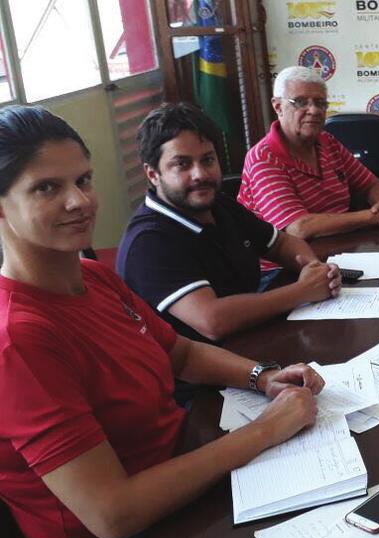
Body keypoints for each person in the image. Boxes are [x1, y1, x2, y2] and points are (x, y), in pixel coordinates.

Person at [0, 106, 323, 538]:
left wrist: (261, 376)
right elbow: (113, 513)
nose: (79, 201)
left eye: (83, 180)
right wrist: (264, 431)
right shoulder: (18, 338)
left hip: (181, 471)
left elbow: (181, 354)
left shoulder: (94, 277)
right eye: (47, 188)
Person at [117, 103, 341, 356]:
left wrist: (314, 269)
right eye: (182, 164)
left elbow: (281, 243)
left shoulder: (218, 204)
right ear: (153, 174)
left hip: (251, 344)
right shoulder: (149, 242)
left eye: (208, 160)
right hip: (201, 384)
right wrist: (302, 291)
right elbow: (213, 321)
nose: (200, 174)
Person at [239, 66, 379, 240]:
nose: (314, 110)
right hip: (288, 264)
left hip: (339, 247)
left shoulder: (327, 142)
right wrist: (372, 217)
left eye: (320, 103)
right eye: (301, 102)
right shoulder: (263, 158)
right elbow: (299, 228)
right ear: (278, 106)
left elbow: (372, 185)